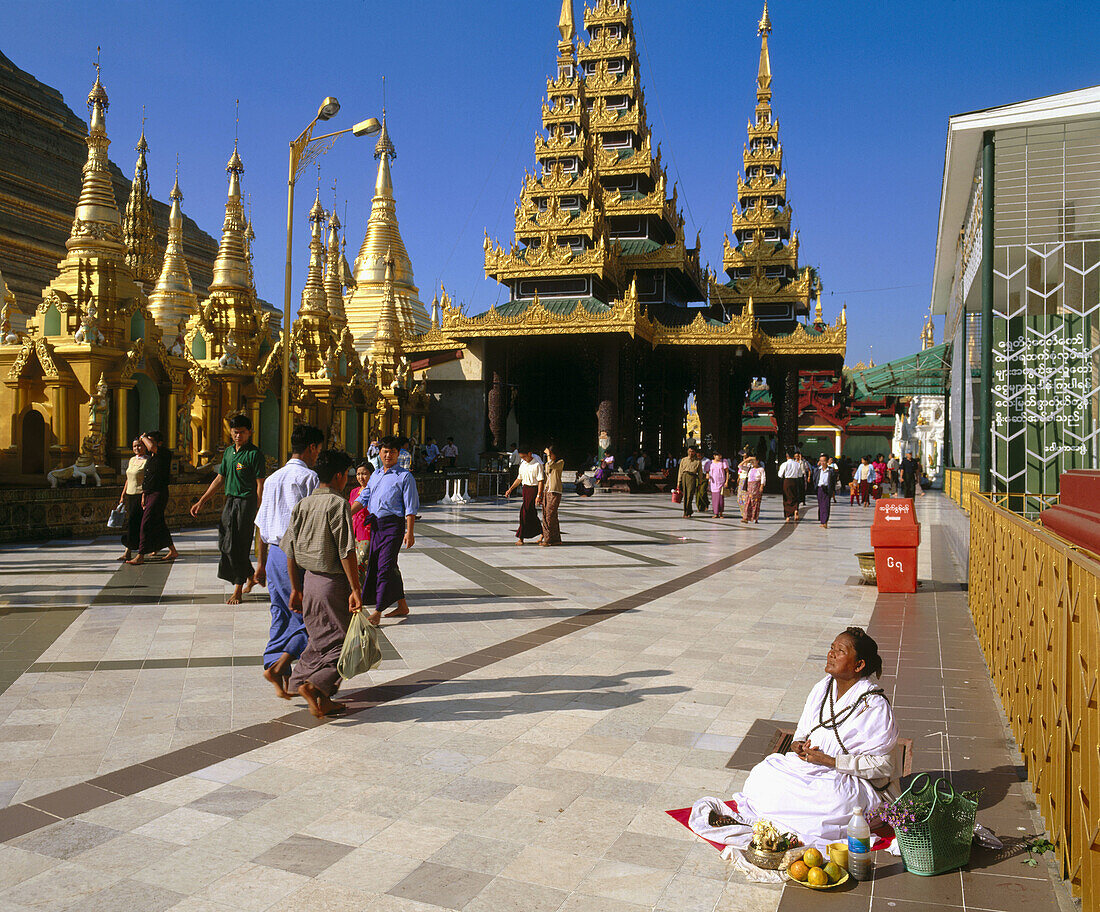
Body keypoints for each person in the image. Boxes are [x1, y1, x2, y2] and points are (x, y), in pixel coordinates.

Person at [705, 627, 899, 849]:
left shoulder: (873, 705)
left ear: (859, 665)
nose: (831, 654)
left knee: (834, 802)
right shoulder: (823, 687)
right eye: (831, 648)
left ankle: (790, 823)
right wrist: (798, 744)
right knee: (762, 774)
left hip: (848, 779)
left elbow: (883, 766)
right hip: (810, 766)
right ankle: (788, 822)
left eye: (840, 651)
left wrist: (830, 761)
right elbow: (803, 729)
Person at [281, 449, 361, 718]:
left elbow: (289, 550)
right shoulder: (338, 505)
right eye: (347, 475)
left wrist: (295, 587)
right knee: (343, 642)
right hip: (332, 583)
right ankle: (317, 686)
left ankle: (309, 688)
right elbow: (346, 551)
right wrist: (356, 589)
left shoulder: (303, 504)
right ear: (339, 476)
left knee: (318, 639)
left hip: (310, 581)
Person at [252, 425, 324, 699]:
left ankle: (274, 664)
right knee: (311, 618)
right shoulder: (309, 479)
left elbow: (261, 524)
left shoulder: (272, 479)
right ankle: (281, 665)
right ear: (312, 448)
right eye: (317, 449)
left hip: (273, 554)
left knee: (280, 613)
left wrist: (261, 563)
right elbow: (315, 524)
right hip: (298, 557)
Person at [191, 415, 266, 604]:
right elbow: (219, 479)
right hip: (230, 501)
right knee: (225, 542)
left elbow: (260, 484)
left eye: (242, 432)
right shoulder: (229, 453)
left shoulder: (254, 454)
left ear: (250, 432)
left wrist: (258, 507)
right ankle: (249, 575)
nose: (238, 435)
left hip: (246, 503)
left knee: (239, 544)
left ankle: (238, 588)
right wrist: (202, 501)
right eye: (235, 432)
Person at [351, 435, 419, 626]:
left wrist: (409, 531)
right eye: (385, 451)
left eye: (393, 452)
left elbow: (411, 507)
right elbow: (363, 497)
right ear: (379, 453)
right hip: (375, 527)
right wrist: (347, 514)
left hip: (393, 527)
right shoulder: (376, 476)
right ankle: (402, 605)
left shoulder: (405, 476)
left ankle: (378, 610)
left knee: (385, 567)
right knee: (384, 565)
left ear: (399, 454)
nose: (388, 455)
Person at [127, 430, 179, 564]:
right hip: (149, 492)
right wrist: (144, 494)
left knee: (146, 523)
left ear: (159, 443)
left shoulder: (165, 453)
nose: (146, 443)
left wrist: (143, 437)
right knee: (159, 522)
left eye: (150, 440)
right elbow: (147, 478)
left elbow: (150, 446)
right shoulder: (151, 458)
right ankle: (173, 550)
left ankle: (140, 555)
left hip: (159, 492)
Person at [505, 446, 545, 545]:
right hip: (525, 489)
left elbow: (541, 480)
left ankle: (521, 537)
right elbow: (519, 479)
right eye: (521, 457)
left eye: (524, 457)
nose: (523, 459)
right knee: (530, 513)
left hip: (533, 490)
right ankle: (543, 532)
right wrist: (510, 489)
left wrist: (539, 495)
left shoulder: (537, 464)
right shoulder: (523, 464)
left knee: (524, 512)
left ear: (529, 454)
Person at [117, 437, 147, 561]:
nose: (137, 448)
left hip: (140, 495)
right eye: (134, 446)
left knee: (135, 523)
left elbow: (147, 481)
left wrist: (144, 495)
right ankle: (128, 550)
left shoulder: (147, 461)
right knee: (131, 522)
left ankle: (132, 550)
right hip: (130, 494)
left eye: (139, 446)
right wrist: (123, 495)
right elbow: (128, 479)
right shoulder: (131, 460)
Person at [349, 459, 374, 579]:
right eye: (358, 474)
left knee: (362, 563)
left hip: (366, 532)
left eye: (364, 474)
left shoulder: (374, 492)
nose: (361, 477)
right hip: (353, 533)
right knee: (354, 564)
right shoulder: (354, 492)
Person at [540, 445, 564, 546]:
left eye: (551, 453)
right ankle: (555, 538)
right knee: (547, 515)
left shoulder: (560, 462)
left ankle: (548, 539)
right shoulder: (547, 463)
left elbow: (551, 466)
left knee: (550, 514)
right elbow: (547, 470)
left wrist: (549, 455)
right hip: (547, 490)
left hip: (555, 491)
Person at [677, 446, 703, 518]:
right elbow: (680, 471)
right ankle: (686, 512)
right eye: (689, 451)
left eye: (692, 451)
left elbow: (700, 473)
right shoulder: (683, 460)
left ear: (695, 452)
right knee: (685, 496)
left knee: (690, 496)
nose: (690, 453)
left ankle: (688, 511)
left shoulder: (697, 461)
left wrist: (700, 482)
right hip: (684, 477)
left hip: (692, 477)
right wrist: (679, 482)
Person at [812, 454, 838, 528]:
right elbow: (814, 479)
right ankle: (822, 521)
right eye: (821, 461)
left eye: (824, 461)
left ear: (827, 462)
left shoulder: (831, 471)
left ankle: (825, 521)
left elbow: (833, 481)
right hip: (819, 489)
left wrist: (832, 490)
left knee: (826, 505)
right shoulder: (817, 470)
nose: (822, 462)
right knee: (821, 505)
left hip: (827, 489)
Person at [704, 450, 730, 518]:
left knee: (720, 498)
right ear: (714, 456)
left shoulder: (723, 462)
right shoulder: (710, 463)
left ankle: (721, 512)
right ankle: (716, 513)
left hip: (721, 482)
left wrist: (726, 481)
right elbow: (707, 471)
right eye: (718, 455)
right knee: (715, 498)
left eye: (720, 455)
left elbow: (727, 472)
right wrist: (707, 475)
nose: (719, 457)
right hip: (713, 483)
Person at [777, 451, 802, 523]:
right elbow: (800, 474)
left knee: (787, 497)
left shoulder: (784, 464)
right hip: (795, 481)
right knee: (795, 496)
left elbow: (780, 475)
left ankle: (788, 515)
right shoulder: (797, 464)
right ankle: (796, 509)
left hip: (787, 481)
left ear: (786, 456)